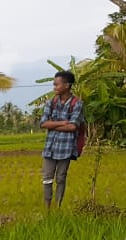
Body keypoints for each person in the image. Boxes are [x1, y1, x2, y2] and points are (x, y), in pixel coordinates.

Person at [40, 70, 84, 209]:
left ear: (66, 85)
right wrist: (62, 123)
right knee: (47, 178)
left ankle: (58, 206)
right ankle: (47, 207)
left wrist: (53, 124)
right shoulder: (51, 102)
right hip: (50, 147)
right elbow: (43, 123)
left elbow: (73, 126)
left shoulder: (77, 103)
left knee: (61, 178)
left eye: (56, 85)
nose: (54, 88)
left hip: (66, 147)